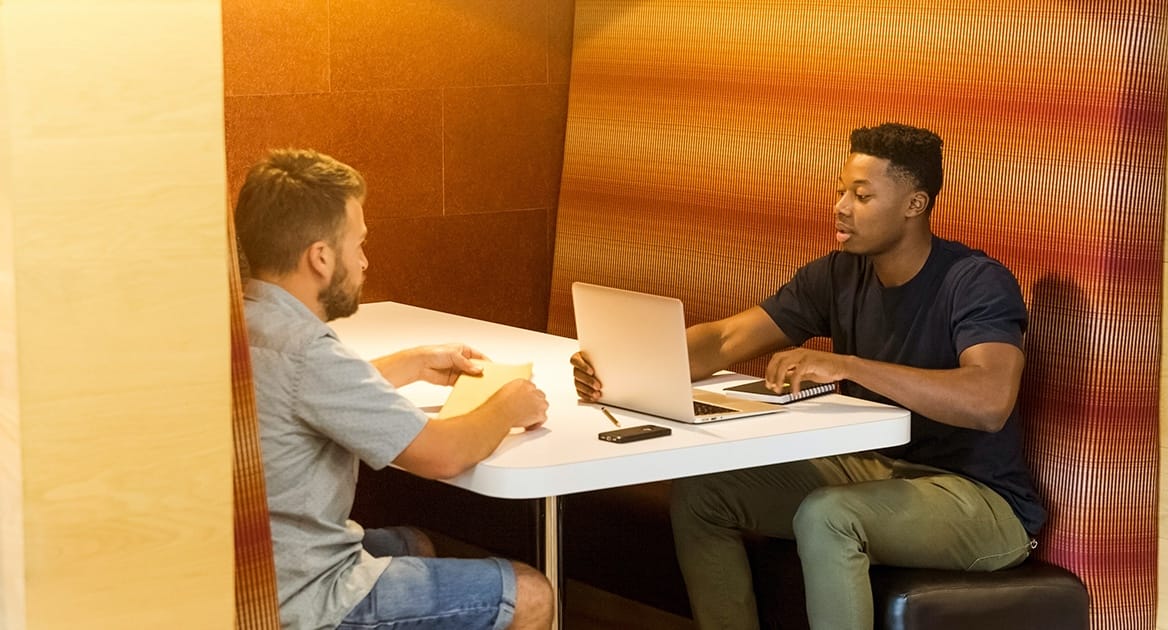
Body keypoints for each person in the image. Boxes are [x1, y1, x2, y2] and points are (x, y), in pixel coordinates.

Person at [570, 123, 1046, 630]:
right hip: (878, 469)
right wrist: (622, 360)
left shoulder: (975, 282)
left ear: (914, 205)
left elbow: (989, 400)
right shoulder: (838, 274)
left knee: (828, 516)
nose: (841, 206)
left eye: (862, 196)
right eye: (841, 190)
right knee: (704, 495)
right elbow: (727, 340)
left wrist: (849, 365)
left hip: (980, 501)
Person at [235, 148, 555, 630]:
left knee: (414, 544)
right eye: (357, 244)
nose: (364, 261)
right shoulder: (307, 349)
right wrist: (508, 403)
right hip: (302, 598)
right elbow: (441, 453)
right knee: (530, 593)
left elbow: (303, 395)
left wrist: (410, 364)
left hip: (244, 577)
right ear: (320, 258)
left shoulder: (244, 321)